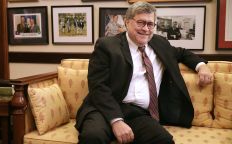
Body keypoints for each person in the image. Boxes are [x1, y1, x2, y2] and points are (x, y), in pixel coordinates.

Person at [75, 1, 213, 144]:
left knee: (164, 140)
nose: (146, 29)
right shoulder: (107, 46)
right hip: (103, 109)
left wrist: (201, 66)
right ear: (127, 22)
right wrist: (116, 121)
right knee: (92, 137)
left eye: (150, 24)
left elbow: (182, 53)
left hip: (137, 114)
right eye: (140, 23)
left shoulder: (159, 43)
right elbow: (98, 86)